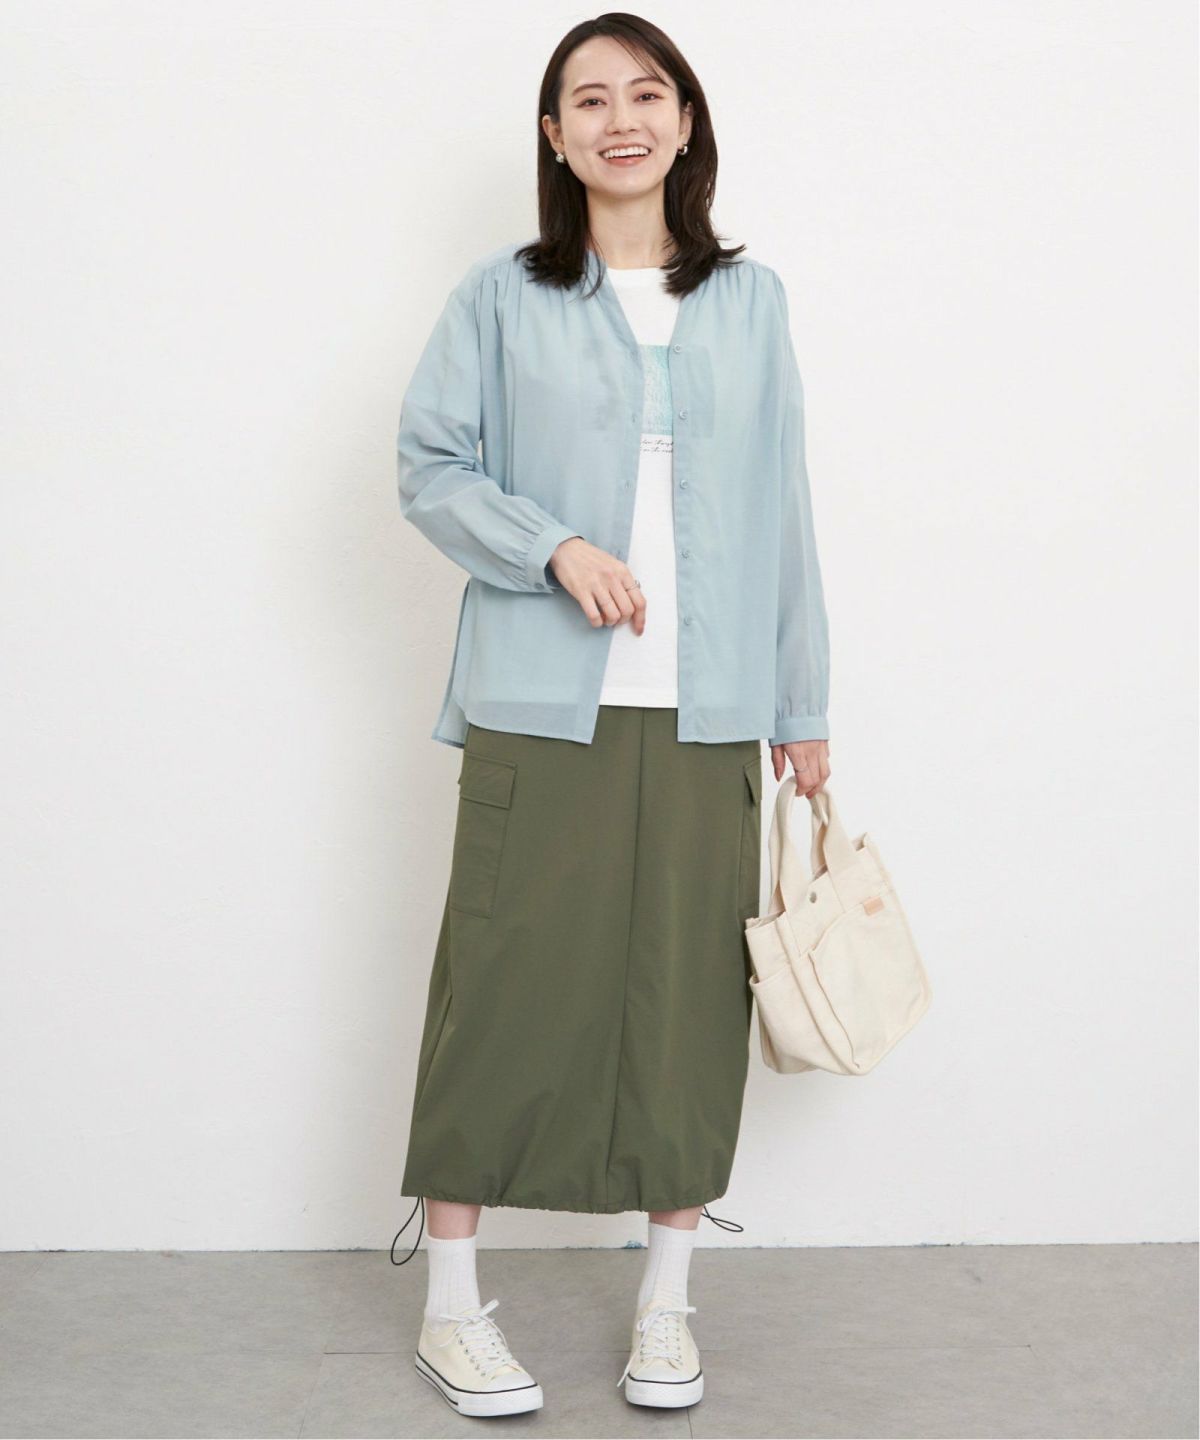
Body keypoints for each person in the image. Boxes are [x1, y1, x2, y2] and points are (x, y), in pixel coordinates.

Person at [391, 12, 831, 1419]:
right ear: (555, 135)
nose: (620, 119)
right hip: (540, 705)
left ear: (686, 122)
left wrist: (801, 704)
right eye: (588, 100)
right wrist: (553, 550)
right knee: (500, 994)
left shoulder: (752, 302)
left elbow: (783, 509)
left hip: (710, 713)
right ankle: (452, 1310)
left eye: (647, 94)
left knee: (687, 1006)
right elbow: (430, 465)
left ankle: (667, 1306)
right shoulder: (500, 296)